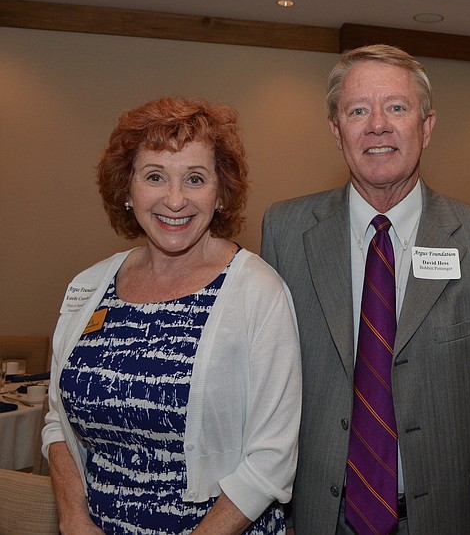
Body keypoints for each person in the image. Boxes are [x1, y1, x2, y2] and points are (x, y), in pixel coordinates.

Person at [261, 44, 470, 535]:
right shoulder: (285, 231)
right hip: (322, 519)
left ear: (426, 127)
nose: (377, 125)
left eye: (397, 107)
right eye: (357, 111)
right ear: (336, 130)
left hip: (450, 520)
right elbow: (267, 396)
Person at [42, 96, 302, 534]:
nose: (175, 200)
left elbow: (272, 459)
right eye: (155, 176)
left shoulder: (258, 291)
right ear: (127, 190)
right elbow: (57, 421)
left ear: (221, 194)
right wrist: (73, 519)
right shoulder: (89, 287)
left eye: (195, 178)